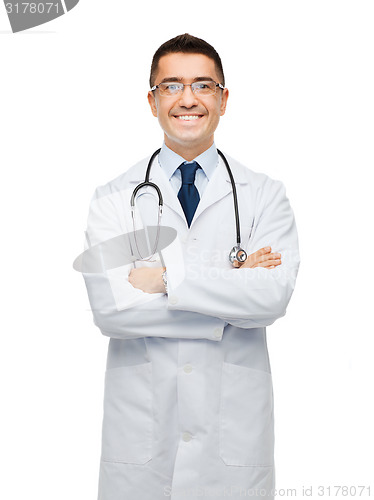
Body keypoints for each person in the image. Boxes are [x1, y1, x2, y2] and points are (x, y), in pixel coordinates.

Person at [82, 33, 300, 500]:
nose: (188, 99)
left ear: (223, 100)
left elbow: (270, 297)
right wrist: (228, 297)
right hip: (141, 445)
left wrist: (165, 280)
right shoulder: (115, 198)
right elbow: (111, 310)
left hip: (233, 446)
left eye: (203, 86)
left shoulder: (264, 195)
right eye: (171, 86)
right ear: (152, 100)